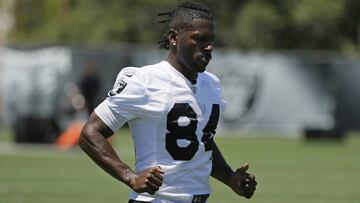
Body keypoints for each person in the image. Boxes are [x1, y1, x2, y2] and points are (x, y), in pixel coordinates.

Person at [79, 1, 257, 203]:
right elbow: (90, 133)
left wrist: (230, 178)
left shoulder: (211, 84)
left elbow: (200, 141)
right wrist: (130, 176)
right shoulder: (144, 80)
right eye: (200, 39)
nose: (209, 47)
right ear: (174, 38)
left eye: (211, 40)